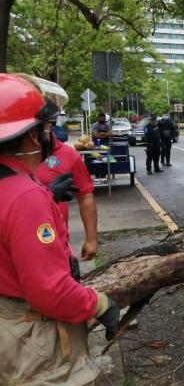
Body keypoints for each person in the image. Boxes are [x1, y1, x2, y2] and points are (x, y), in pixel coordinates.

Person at [0, 73, 119, 385]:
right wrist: (99, 303)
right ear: (30, 137)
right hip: (29, 333)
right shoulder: (26, 197)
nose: (49, 138)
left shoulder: (18, 188)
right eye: (44, 129)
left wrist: (46, 196)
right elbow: (49, 292)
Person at [36, 129, 98, 261]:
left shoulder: (68, 155)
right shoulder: (8, 156)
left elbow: (85, 196)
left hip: (57, 242)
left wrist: (91, 239)